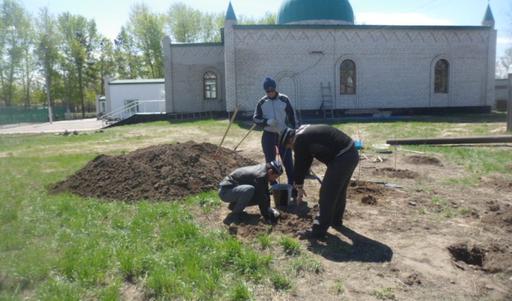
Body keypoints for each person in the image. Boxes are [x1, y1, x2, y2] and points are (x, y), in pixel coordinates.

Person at [279, 125, 360, 238]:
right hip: (350, 153)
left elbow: (299, 163)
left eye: (289, 147)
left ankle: (318, 230)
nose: (291, 149)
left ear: (290, 139)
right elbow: (306, 159)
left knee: (327, 193)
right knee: (339, 191)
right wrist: (299, 185)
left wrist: (298, 186)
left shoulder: (300, 139)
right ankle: (335, 221)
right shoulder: (303, 133)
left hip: (343, 157)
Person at [253, 77, 296, 186]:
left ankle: (292, 183)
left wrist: (293, 131)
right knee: (270, 162)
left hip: (283, 134)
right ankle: (273, 184)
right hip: (268, 135)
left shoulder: (284, 99)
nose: (270, 93)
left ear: (275, 89)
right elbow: (256, 118)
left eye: (272, 90)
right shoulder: (262, 102)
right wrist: (267, 121)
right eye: (268, 91)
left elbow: (292, 117)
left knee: (288, 160)